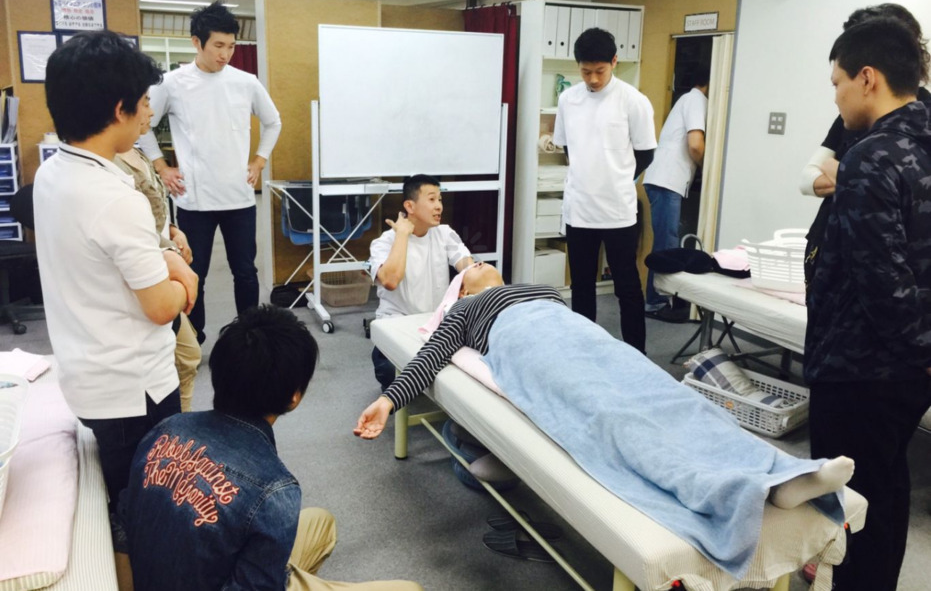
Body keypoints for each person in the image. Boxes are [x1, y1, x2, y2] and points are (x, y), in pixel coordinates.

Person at [355, 264, 854, 577]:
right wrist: (389, 402)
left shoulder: (539, 289)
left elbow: (580, 325)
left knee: (672, 399)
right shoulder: (465, 312)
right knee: (614, 417)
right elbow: (427, 359)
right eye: (470, 269)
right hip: (534, 351)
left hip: (582, 340)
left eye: (486, 263)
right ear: (460, 291)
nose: (480, 264)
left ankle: (782, 475)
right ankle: (726, 490)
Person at [121, 305, 423, 591]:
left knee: (321, 522)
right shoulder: (275, 489)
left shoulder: (167, 429)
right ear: (294, 396)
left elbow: (125, 522)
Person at [34, 30, 198, 525]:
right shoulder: (113, 197)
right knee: (146, 512)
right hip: (134, 391)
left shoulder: (53, 173)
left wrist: (161, 260)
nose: (150, 114)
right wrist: (184, 277)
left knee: (123, 500)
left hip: (88, 374)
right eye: (146, 103)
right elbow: (163, 307)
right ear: (120, 108)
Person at [805, 16, 931, 591]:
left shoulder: (872, 157)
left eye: (838, 83)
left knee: (853, 504)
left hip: (862, 370)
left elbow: (884, 284)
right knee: (888, 488)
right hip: (905, 375)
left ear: (868, 78)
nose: (837, 96)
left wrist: (919, 351)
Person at [138, 0, 282, 344]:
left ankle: (249, 334)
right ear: (196, 43)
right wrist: (161, 166)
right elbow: (143, 125)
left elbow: (273, 121)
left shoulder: (245, 82)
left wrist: (260, 160)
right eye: (218, 45)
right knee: (194, 274)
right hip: (194, 201)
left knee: (246, 272)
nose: (225, 54)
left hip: (239, 197)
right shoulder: (172, 83)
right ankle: (194, 335)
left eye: (231, 46)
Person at [799, 3, 931, 291]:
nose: (836, 96)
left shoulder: (870, 157)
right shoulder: (853, 124)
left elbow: (887, 295)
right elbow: (808, 177)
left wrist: (849, 174)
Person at [554, 27, 657, 353]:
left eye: (600, 71)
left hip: (618, 211)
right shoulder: (568, 100)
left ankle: (636, 354)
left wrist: (615, 179)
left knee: (627, 287)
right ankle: (584, 352)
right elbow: (567, 147)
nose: (593, 78)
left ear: (614, 62)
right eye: (586, 71)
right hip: (580, 210)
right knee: (581, 286)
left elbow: (646, 153)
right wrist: (589, 177)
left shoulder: (634, 101)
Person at [116, 137, 202, 412]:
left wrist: (174, 232)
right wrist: (169, 255)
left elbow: (155, 211)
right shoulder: (111, 164)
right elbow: (131, 227)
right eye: (144, 104)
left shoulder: (137, 152)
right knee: (179, 360)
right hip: (148, 270)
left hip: (162, 258)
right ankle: (174, 432)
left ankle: (180, 427)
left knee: (187, 358)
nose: (150, 112)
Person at [367, 174, 473, 390]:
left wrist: (471, 274)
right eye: (432, 199)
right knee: (390, 373)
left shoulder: (444, 234)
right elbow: (390, 280)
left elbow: (466, 267)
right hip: (396, 325)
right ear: (410, 206)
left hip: (436, 326)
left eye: (440, 200)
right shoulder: (383, 242)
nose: (439, 207)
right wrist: (403, 236)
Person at [642, 65, 710, 319]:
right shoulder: (696, 100)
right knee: (667, 244)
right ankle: (656, 302)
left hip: (664, 179)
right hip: (666, 181)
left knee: (666, 242)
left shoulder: (688, 100)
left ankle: (660, 300)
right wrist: (709, 169)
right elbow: (695, 144)